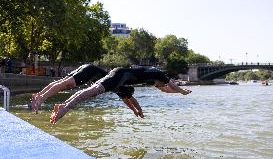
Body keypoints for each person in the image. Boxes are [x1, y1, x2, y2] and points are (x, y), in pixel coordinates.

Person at [50, 67, 192, 124]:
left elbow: (131, 101)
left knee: (90, 92)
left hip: (117, 74)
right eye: (164, 84)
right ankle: (65, 107)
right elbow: (171, 86)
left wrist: (137, 111)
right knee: (90, 92)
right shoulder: (159, 74)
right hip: (120, 76)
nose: (163, 87)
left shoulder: (150, 80)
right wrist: (182, 91)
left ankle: (65, 105)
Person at [32, 64, 109, 113]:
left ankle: (38, 96)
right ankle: (41, 99)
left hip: (88, 67)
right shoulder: (114, 84)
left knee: (62, 82)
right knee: (64, 84)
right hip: (90, 72)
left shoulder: (113, 77)